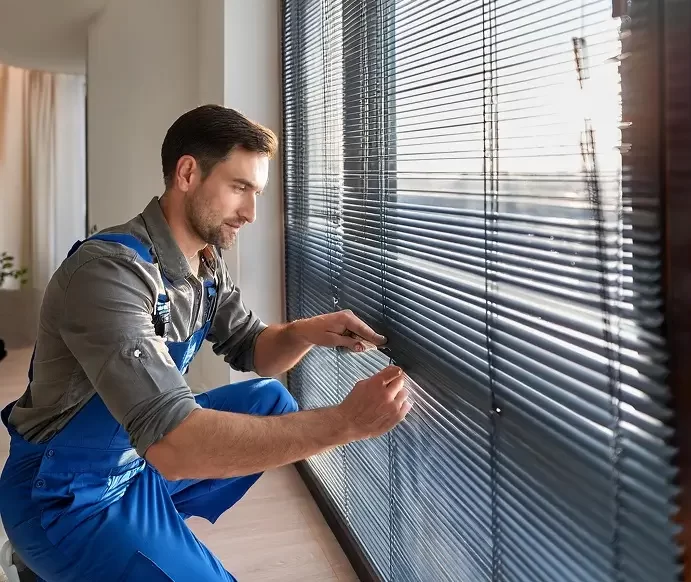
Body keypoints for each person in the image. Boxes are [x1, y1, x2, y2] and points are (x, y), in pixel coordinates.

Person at [0, 105, 411, 582]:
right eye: (239, 189)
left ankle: (141, 539)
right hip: (63, 496)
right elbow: (175, 446)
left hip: (135, 463)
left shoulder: (206, 267)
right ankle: (47, 556)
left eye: (256, 193)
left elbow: (253, 348)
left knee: (272, 400)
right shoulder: (109, 274)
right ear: (188, 173)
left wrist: (304, 331)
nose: (252, 213)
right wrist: (345, 423)